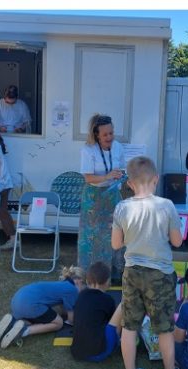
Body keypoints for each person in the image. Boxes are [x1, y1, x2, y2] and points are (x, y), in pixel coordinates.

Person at [112, 155, 183, 369]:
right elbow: (177, 241)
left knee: (129, 326)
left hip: (132, 272)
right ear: (156, 179)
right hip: (160, 274)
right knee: (164, 328)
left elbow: (115, 244)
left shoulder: (121, 207)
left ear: (130, 183)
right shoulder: (167, 206)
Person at [78, 113, 126, 279]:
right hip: (93, 196)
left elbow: (121, 167)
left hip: (112, 194)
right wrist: (107, 176)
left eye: (111, 133)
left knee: (115, 232)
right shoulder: (88, 150)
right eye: (105, 134)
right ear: (96, 134)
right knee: (93, 235)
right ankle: (91, 273)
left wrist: (120, 175)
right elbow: (88, 177)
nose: (109, 137)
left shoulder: (118, 147)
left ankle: (114, 271)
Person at [0, 265, 86, 348]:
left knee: (36, 318)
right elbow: (70, 319)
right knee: (59, 323)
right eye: (83, 289)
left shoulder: (62, 285)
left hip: (17, 301)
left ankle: (12, 323)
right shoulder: (72, 290)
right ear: (80, 281)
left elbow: (64, 310)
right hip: (30, 305)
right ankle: (24, 331)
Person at [71, 261, 124, 362]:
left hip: (77, 352)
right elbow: (113, 324)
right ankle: (122, 341)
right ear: (106, 281)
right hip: (98, 353)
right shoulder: (107, 300)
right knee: (122, 307)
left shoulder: (81, 295)